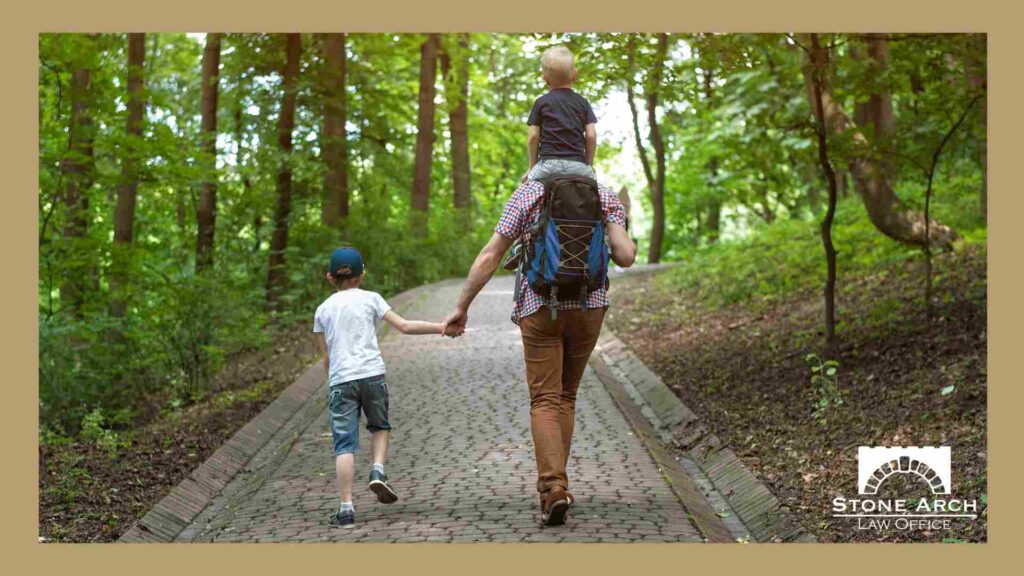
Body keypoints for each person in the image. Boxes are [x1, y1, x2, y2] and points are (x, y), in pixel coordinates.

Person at [442, 181, 637, 526]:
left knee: (545, 399)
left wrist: (462, 306)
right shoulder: (603, 195)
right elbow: (626, 256)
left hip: (540, 307)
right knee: (566, 397)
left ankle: (553, 488)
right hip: (589, 307)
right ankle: (558, 483)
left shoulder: (528, 193)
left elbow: (491, 255)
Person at [314, 247, 463, 527]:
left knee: (344, 444)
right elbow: (405, 326)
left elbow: (326, 359)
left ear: (329, 278)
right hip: (372, 375)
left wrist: (334, 382)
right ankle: (378, 471)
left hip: (341, 381)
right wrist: (442, 327)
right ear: (362, 275)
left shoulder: (322, 310)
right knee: (380, 426)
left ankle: (346, 509)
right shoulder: (372, 299)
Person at [522, 46, 598, 184]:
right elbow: (591, 136)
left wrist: (531, 168)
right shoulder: (583, 103)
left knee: (520, 200)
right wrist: (588, 165)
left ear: (544, 77)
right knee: (601, 196)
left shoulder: (540, 103)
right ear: (575, 74)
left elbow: (533, 137)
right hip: (578, 166)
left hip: (547, 167)